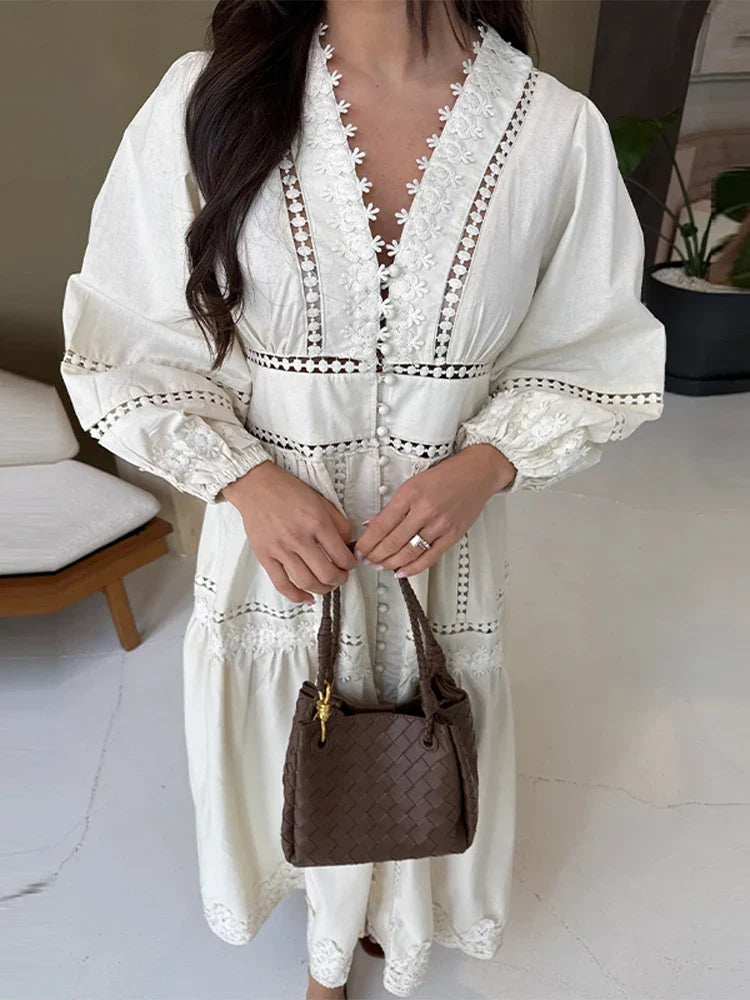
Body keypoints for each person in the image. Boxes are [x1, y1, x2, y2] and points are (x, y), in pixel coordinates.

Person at [60, 1, 666, 997]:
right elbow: (129, 336)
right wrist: (245, 480)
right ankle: (327, 955)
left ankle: (389, 914)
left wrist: (487, 463)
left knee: (424, 732)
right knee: (295, 737)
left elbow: (592, 350)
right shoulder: (209, 99)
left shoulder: (556, 131)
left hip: (441, 556)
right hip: (276, 553)